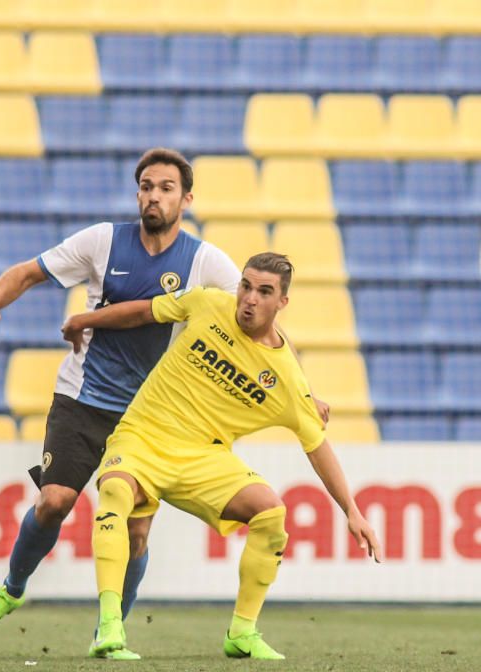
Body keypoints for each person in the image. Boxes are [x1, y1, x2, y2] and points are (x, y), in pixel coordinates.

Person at [0, 148, 257, 660]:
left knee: (136, 532)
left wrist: (301, 388)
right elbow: (27, 272)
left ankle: (111, 628)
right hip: (82, 399)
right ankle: (10, 589)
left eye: (166, 187)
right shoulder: (102, 241)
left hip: (148, 415)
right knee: (54, 502)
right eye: (146, 186)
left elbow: (257, 320)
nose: (153, 195)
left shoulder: (205, 261)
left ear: (186, 198)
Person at [61, 252, 381, 660]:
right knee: (117, 496)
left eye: (264, 292)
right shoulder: (208, 303)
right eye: (246, 285)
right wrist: (82, 320)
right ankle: (108, 628)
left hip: (202, 459)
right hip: (142, 436)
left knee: (271, 513)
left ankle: (242, 632)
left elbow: (317, 447)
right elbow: (144, 312)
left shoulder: (285, 378)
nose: (249, 298)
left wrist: (352, 510)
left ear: (282, 302)